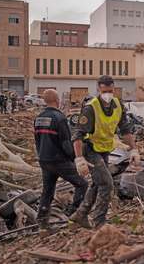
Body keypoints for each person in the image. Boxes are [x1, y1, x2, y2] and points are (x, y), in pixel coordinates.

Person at [70, 76, 139, 228]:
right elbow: (78, 135)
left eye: (111, 91)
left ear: (114, 89)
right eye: (105, 91)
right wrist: (79, 158)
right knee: (107, 184)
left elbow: (125, 130)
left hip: (105, 149)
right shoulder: (90, 108)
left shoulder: (118, 105)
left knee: (97, 183)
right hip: (90, 149)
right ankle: (99, 222)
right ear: (98, 90)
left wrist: (134, 149)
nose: (108, 94)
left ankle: (80, 214)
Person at [34, 89, 88, 235]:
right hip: (59, 160)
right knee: (82, 184)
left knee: (48, 191)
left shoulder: (39, 118)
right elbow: (66, 143)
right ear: (57, 100)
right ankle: (75, 216)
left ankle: (43, 225)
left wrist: (41, 156)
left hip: (44, 160)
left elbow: (37, 141)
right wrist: (75, 159)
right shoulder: (60, 118)